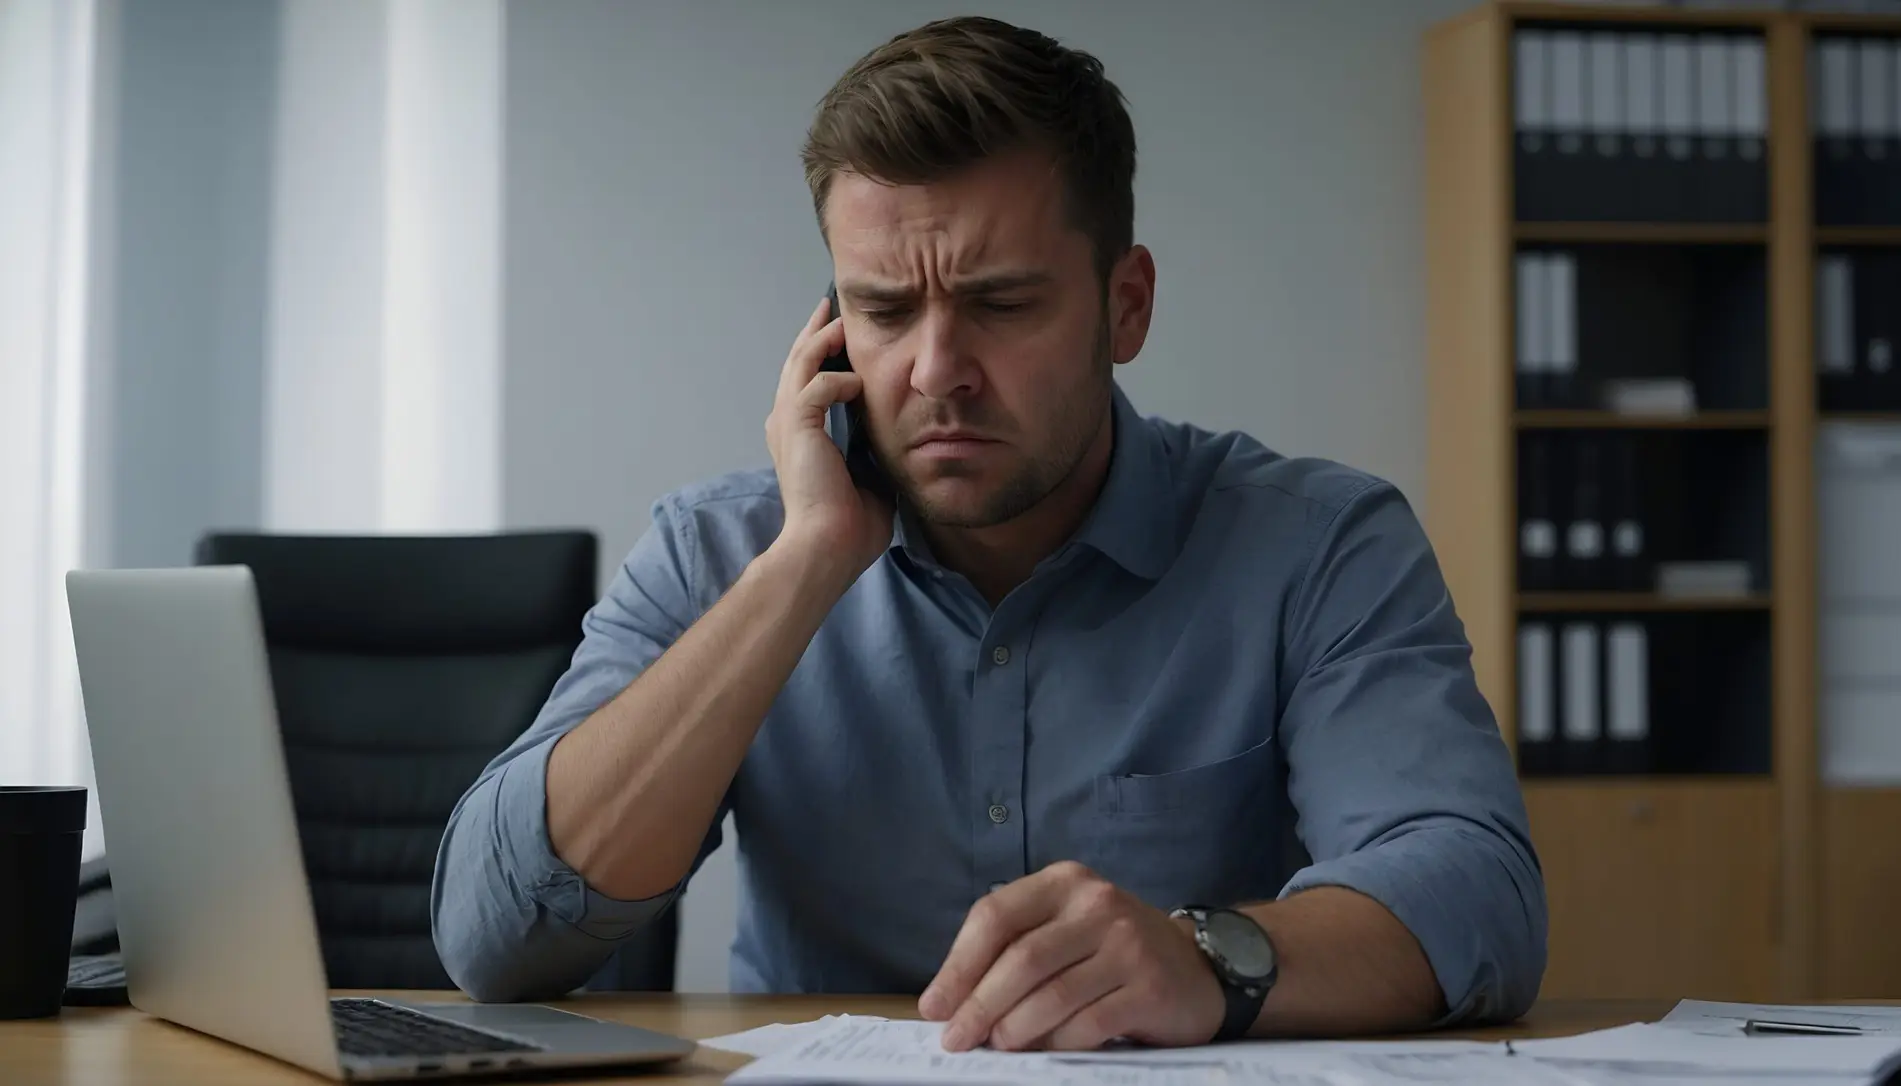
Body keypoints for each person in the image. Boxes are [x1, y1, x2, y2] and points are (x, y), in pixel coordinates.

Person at [431, 14, 1545, 1051]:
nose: (935, 371)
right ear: (828, 330)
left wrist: (1208, 958)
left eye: (1002, 306)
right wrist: (808, 562)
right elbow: (492, 940)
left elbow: (1475, 892)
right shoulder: (720, 552)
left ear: (1127, 307)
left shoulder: (1319, 545)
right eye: (883, 310)